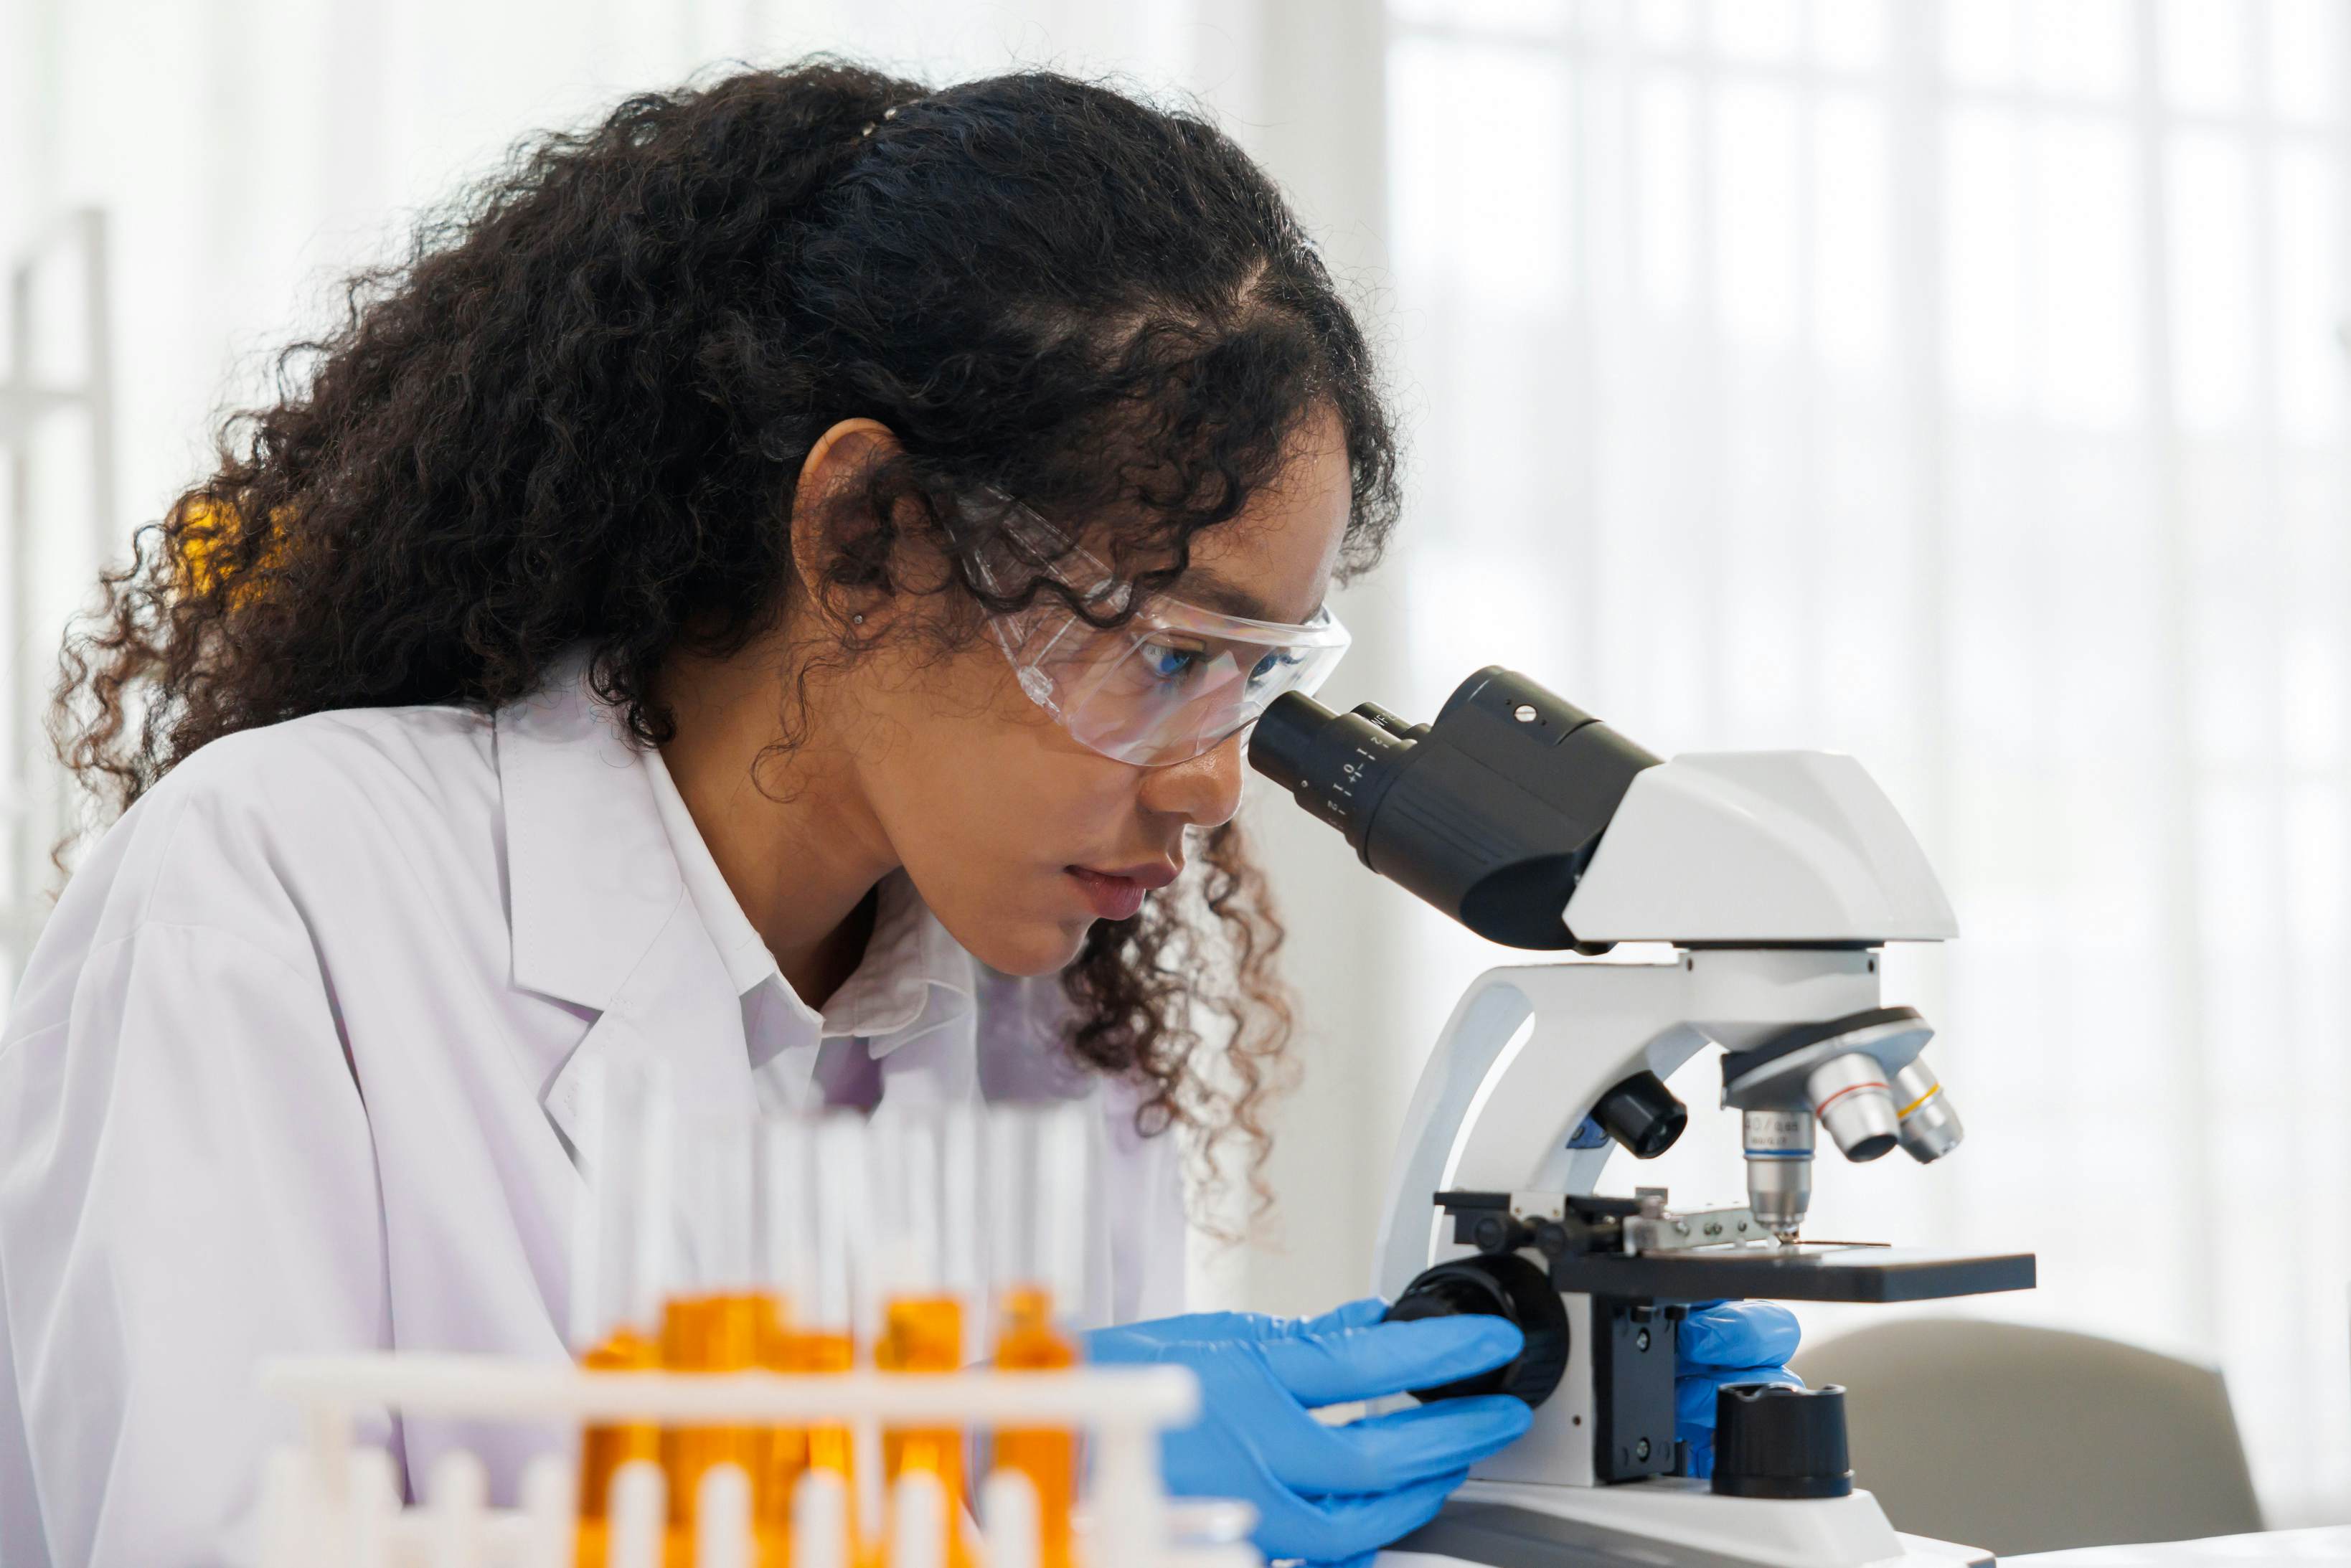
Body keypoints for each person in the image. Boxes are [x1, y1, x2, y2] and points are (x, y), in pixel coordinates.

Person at [0, 62, 1795, 1568]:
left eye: (1253, 676)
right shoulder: (288, 887)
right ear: (862, 534)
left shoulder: (1050, 1021)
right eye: (1163, 652)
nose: (1207, 782)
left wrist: (1503, 1436)